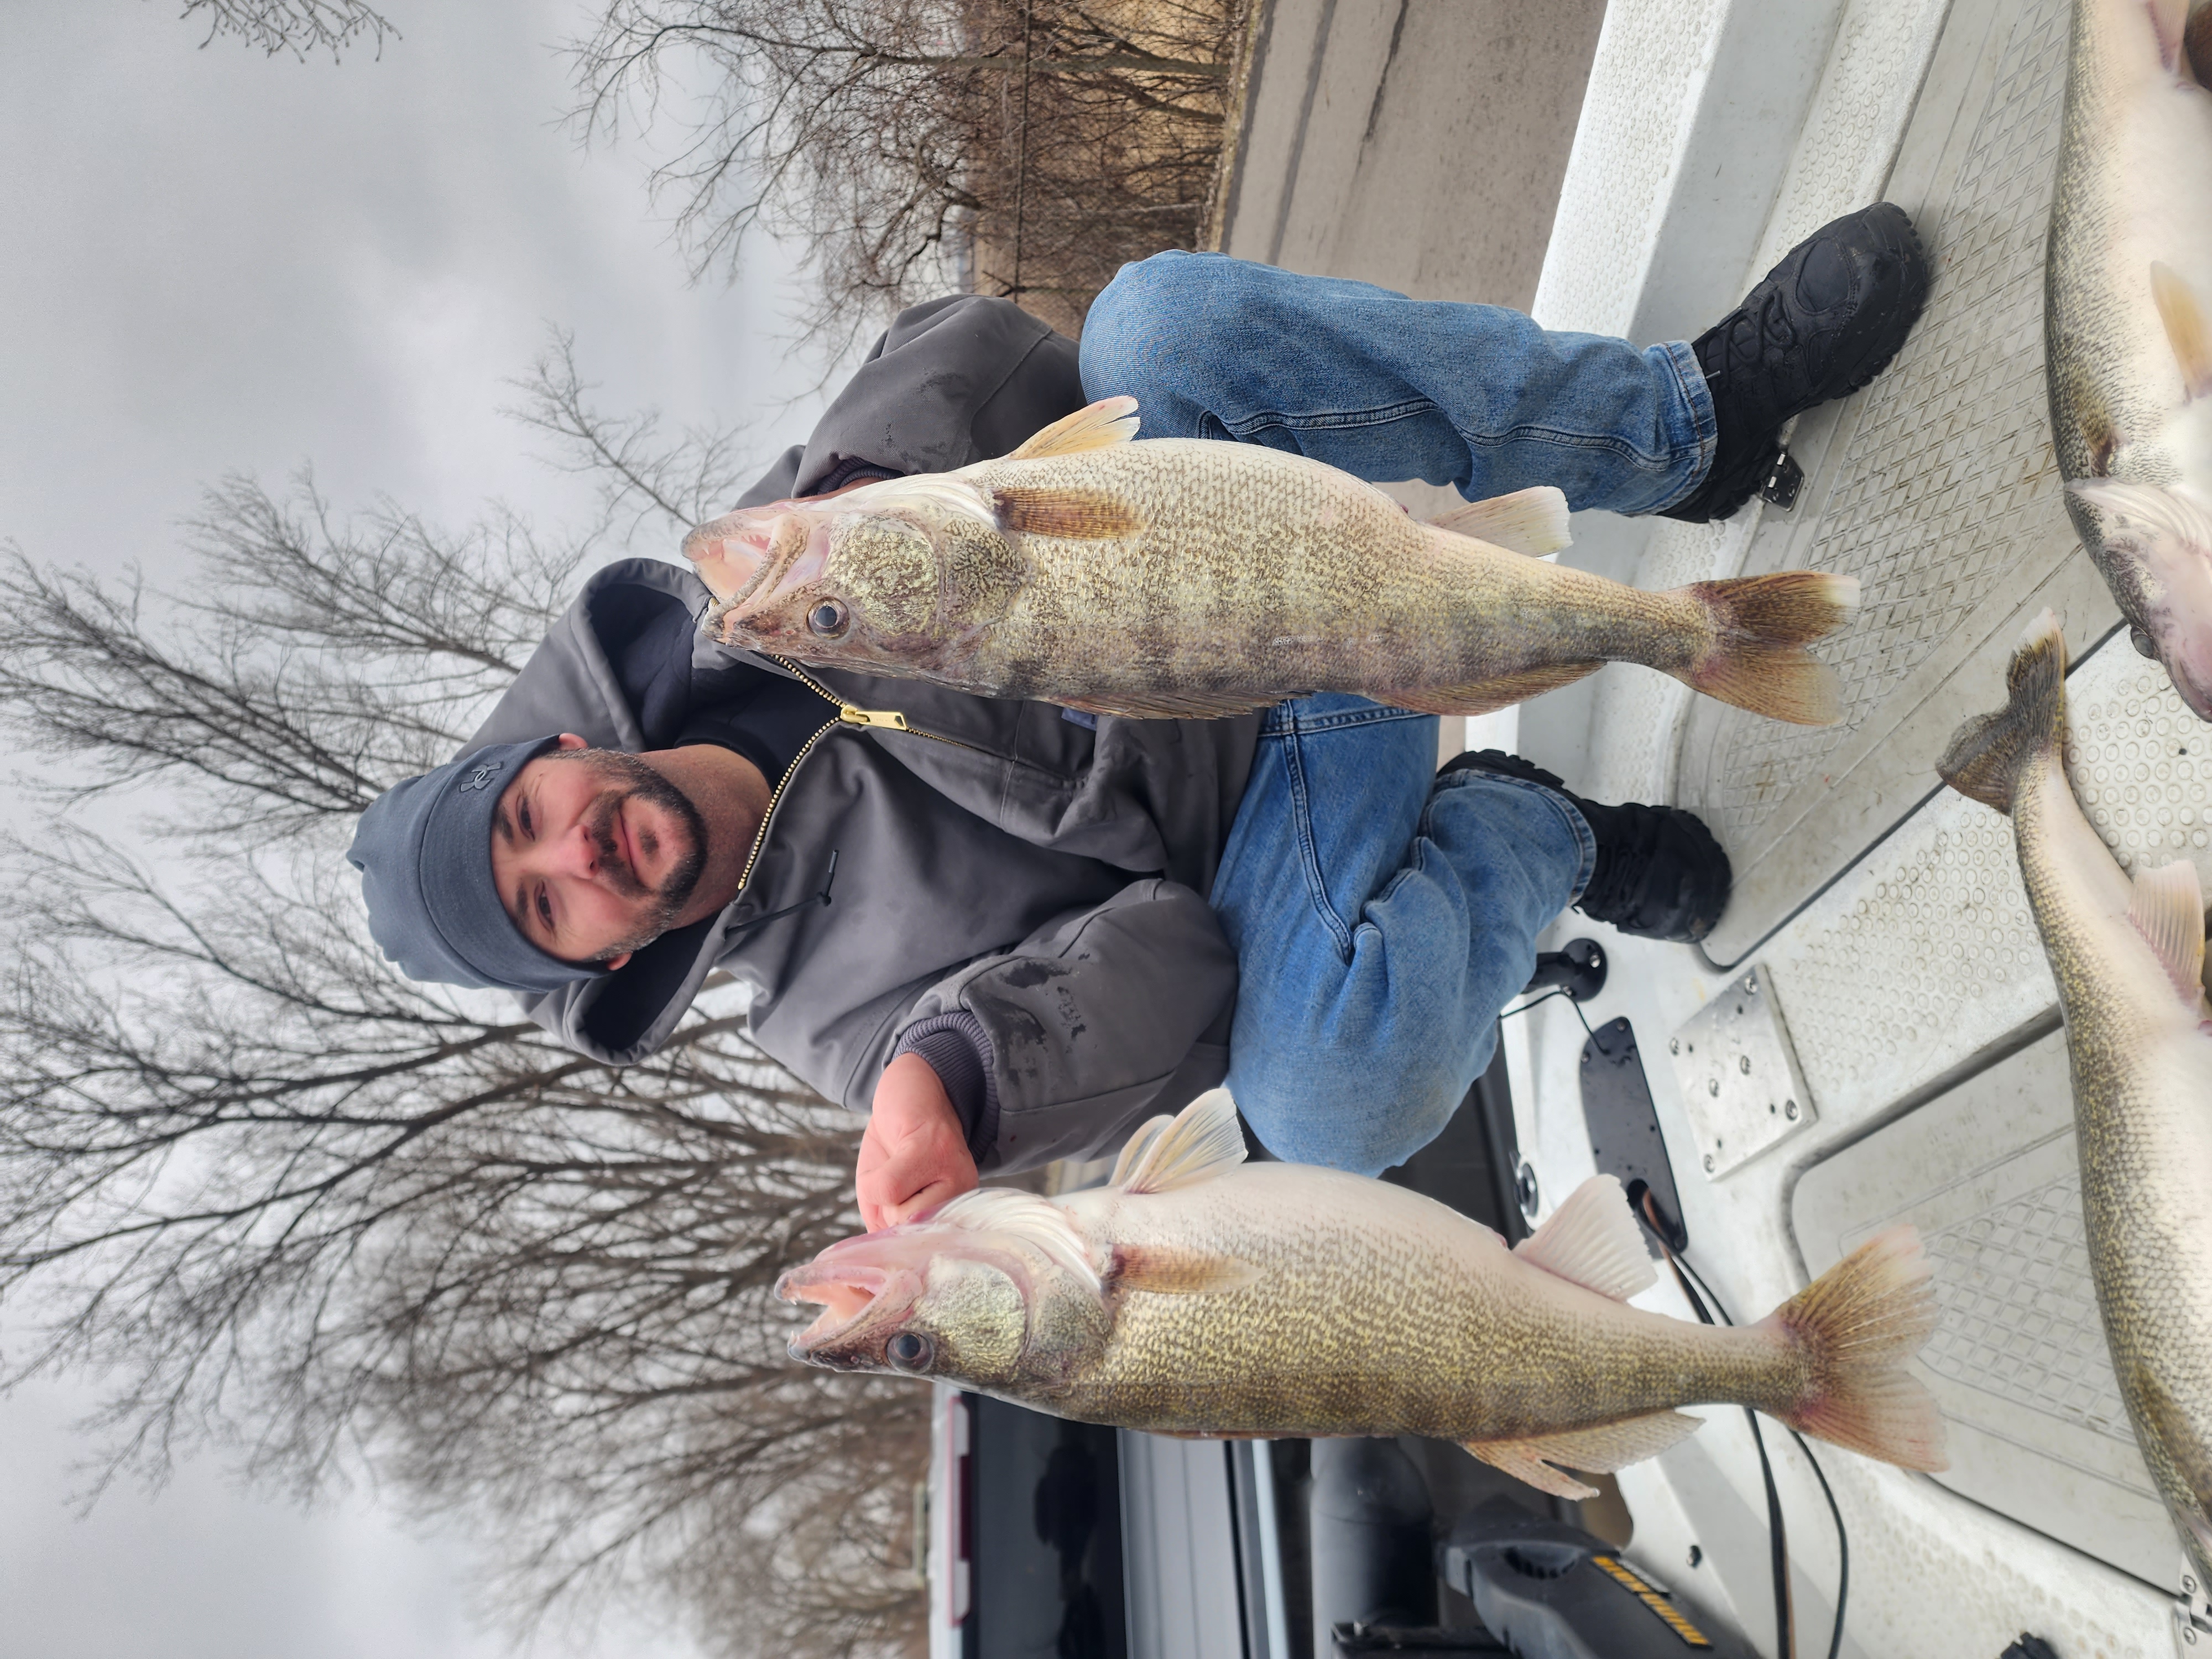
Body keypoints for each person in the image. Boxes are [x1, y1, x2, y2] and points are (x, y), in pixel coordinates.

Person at [347, 204, 1928, 1229]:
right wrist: (958, 1081)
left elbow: (982, 347)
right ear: (600, 960)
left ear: (551, 753)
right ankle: (1542, 837)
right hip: (1275, 833)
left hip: (1259, 562)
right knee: (1322, 1106)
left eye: (525, 825)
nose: (583, 857)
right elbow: (1182, 968)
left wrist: (893, 521)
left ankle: (1682, 428)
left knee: (1155, 322)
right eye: (549, 912)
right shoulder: (840, 1034)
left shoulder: (763, 585)